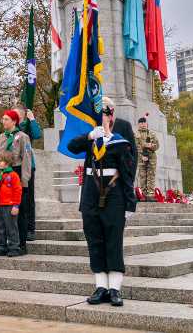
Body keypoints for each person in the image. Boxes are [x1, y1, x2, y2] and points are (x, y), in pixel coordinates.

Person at [67, 98, 136, 307]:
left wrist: (129, 202)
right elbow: (71, 146)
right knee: (94, 240)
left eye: (106, 112)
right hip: (91, 194)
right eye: (100, 112)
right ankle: (101, 287)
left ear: (112, 113)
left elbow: (127, 171)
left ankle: (115, 288)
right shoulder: (92, 133)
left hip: (114, 195)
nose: (104, 116)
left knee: (113, 241)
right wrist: (90, 135)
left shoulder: (121, 137)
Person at [0, 109, 32, 255]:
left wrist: (25, 179)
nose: (3, 121)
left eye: (6, 119)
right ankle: (3, 244)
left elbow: (27, 158)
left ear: (14, 121)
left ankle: (20, 244)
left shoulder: (23, 137)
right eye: (3, 119)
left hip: (17, 172)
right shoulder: (1, 137)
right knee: (3, 214)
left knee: (19, 213)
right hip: (3, 173)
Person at [0, 151, 23, 257]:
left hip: (9, 205)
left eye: (1, 161)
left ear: (7, 162)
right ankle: (1, 246)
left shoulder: (13, 175)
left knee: (11, 227)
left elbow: (18, 190)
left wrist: (16, 205)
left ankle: (14, 247)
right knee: (0, 226)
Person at [15, 105, 41, 240]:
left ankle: (30, 228)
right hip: (14, 167)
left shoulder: (28, 126)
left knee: (29, 198)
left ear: (21, 116)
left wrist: (32, 120)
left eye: (15, 115)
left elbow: (37, 134)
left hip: (28, 166)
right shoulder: (12, 128)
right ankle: (18, 227)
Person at [135, 117, 159, 201]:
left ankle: (151, 195)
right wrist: (142, 155)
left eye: (144, 123)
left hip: (151, 158)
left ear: (146, 123)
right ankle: (144, 195)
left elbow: (157, 145)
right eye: (141, 123)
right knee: (142, 176)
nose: (142, 124)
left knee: (151, 176)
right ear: (138, 124)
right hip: (141, 158)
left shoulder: (151, 134)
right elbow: (135, 147)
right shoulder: (136, 135)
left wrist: (151, 146)